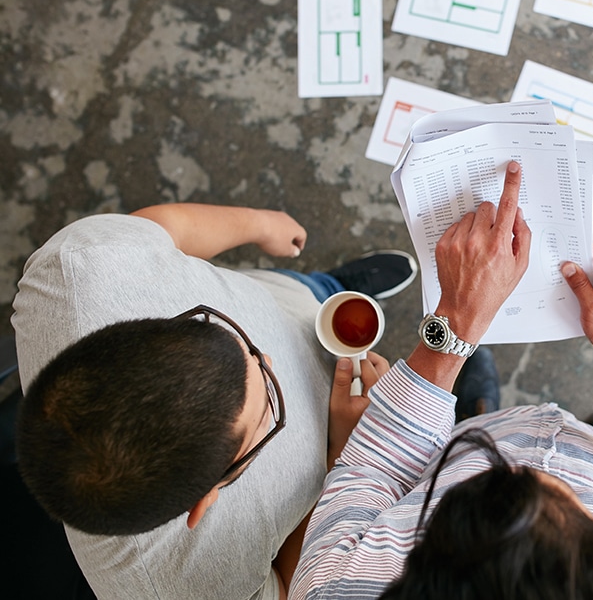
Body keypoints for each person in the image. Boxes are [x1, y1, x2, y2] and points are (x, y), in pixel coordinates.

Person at [288, 162, 593, 599]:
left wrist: (456, 322)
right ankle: (588, 441)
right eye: (567, 503)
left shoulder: (335, 588)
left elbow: (374, 473)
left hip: (437, 442)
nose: (529, 468)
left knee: (475, 428)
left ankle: (479, 414)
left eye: (482, 487)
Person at [12, 202, 417, 599]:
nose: (270, 360)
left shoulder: (78, 267)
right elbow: (289, 585)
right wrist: (344, 459)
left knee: (307, 293)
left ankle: (322, 287)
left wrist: (259, 224)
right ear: (205, 500)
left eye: (233, 339)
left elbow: (164, 229)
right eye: (269, 412)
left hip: (283, 296)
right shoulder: (182, 591)